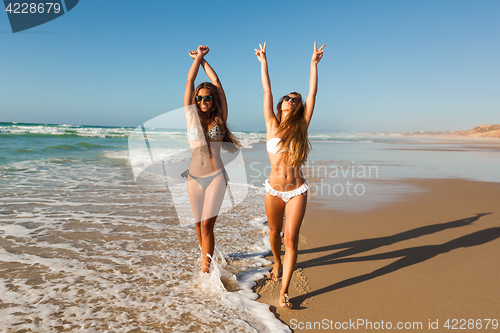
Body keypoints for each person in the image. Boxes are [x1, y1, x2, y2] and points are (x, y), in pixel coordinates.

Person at [255, 41, 325, 308]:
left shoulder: (302, 125)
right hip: (273, 189)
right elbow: (266, 90)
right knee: (274, 234)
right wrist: (264, 62)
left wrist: (313, 65)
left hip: (296, 191)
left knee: (291, 238)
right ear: (282, 103)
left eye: (296, 100)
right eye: (289, 98)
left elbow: (313, 94)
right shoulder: (271, 124)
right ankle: (276, 262)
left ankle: (284, 290)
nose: (292, 101)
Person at [184, 45, 241, 274]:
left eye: (207, 98)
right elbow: (190, 81)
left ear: (212, 100)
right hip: (194, 177)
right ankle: (207, 256)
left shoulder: (220, 118)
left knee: (207, 224)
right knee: (198, 225)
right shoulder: (190, 116)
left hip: (216, 176)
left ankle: (205, 272)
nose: (203, 100)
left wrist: (204, 59)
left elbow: (217, 83)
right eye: (199, 98)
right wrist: (197, 59)